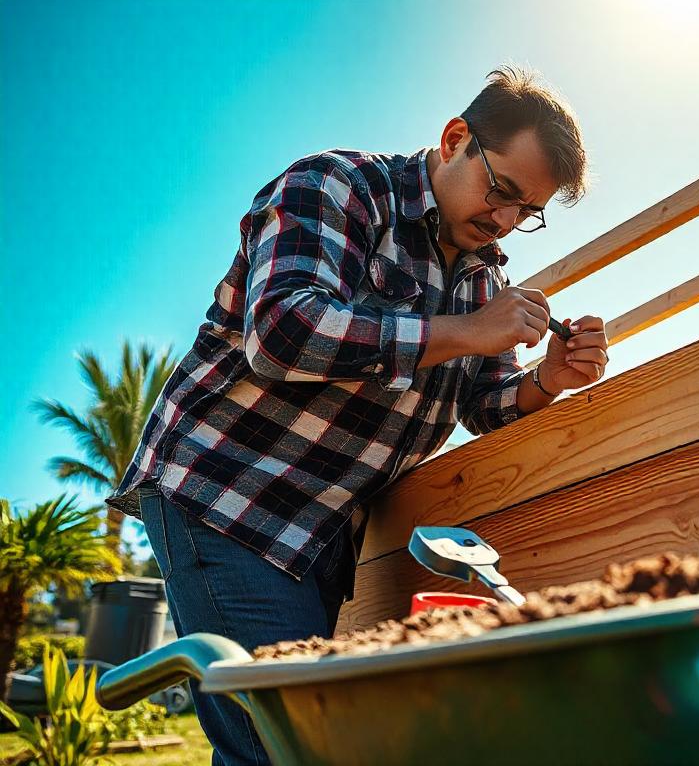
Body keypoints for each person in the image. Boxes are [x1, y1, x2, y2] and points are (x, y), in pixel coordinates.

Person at [105, 66, 606, 765]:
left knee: (284, 742)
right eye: (502, 191)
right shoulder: (336, 187)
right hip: (229, 497)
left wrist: (545, 382)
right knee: (289, 743)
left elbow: (484, 405)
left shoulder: (483, 279)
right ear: (456, 137)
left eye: (528, 212)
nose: (505, 221)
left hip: (319, 534)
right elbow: (283, 330)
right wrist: (465, 332)